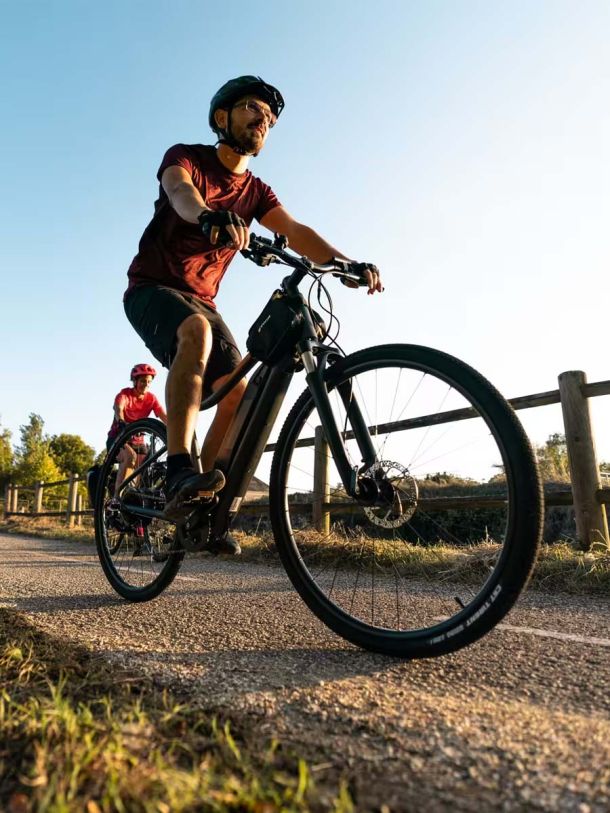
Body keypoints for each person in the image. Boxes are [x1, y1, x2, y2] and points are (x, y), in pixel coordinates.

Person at [123, 75, 383, 553]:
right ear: (222, 118)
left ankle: (198, 504)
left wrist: (346, 263)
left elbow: (295, 230)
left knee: (237, 390)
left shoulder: (257, 191)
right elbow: (181, 192)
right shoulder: (187, 157)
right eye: (250, 108)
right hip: (152, 288)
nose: (261, 119)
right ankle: (179, 465)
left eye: (268, 117)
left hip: (203, 298)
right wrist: (207, 215)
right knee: (196, 334)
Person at [107, 364, 167, 501]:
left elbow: (163, 415)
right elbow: (118, 408)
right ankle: (117, 499)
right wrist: (121, 421)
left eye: (148, 382)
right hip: (118, 438)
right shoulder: (125, 394)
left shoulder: (151, 398)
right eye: (142, 381)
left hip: (138, 442)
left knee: (145, 465)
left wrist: (174, 429)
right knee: (130, 457)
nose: (145, 385)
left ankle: (133, 497)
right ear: (135, 381)